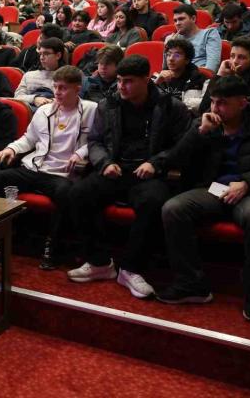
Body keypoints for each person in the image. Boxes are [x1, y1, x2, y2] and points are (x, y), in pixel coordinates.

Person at [159, 76, 250, 322]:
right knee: (173, 208)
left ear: (242, 103)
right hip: (213, 189)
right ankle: (192, 284)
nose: (215, 108)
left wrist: (248, 182)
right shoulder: (206, 124)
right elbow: (175, 159)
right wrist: (199, 132)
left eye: (223, 103)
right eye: (213, 102)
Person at [66, 55, 191, 298]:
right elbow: (95, 141)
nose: (122, 86)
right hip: (115, 168)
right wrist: (104, 163)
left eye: (129, 81)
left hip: (149, 173)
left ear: (147, 79)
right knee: (78, 194)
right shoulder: (108, 104)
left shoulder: (170, 107)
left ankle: (131, 269)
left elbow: (181, 147)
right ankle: (99, 262)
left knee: (152, 202)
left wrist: (155, 163)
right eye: (120, 80)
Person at [0, 66, 98, 269]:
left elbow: (98, 141)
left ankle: (53, 245)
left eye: (63, 88)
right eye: (55, 87)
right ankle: (1, 238)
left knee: (66, 193)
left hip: (62, 173)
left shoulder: (91, 110)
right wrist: (11, 148)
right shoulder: (44, 110)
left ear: (77, 89)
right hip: (35, 167)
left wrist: (81, 153)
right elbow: (29, 139)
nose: (57, 92)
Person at [155, 38, 208, 112]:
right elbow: (146, 101)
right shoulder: (159, 76)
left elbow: (193, 106)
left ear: (187, 60)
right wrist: (156, 83)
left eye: (177, 55)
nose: (171, 59)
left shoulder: (196, 78)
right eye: (168, 54)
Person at [13, 37, 66, 110]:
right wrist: (34, 99)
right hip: (31, 110)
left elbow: (74, 98)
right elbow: (17, 97)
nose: (41, 57)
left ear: (58, 55)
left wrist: (52, 101)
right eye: (40, 54)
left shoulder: (68, 76)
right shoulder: (29, 75)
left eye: (46, 54)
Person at [164, 4, 221, 71]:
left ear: (193, 19)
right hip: (177, 75)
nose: (177, 23)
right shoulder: (174, 39)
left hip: (199, 75)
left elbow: (212, 67)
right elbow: (166, 68)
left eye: (181, 19)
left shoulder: (209, 34)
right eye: (175, 20)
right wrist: (167, 47)